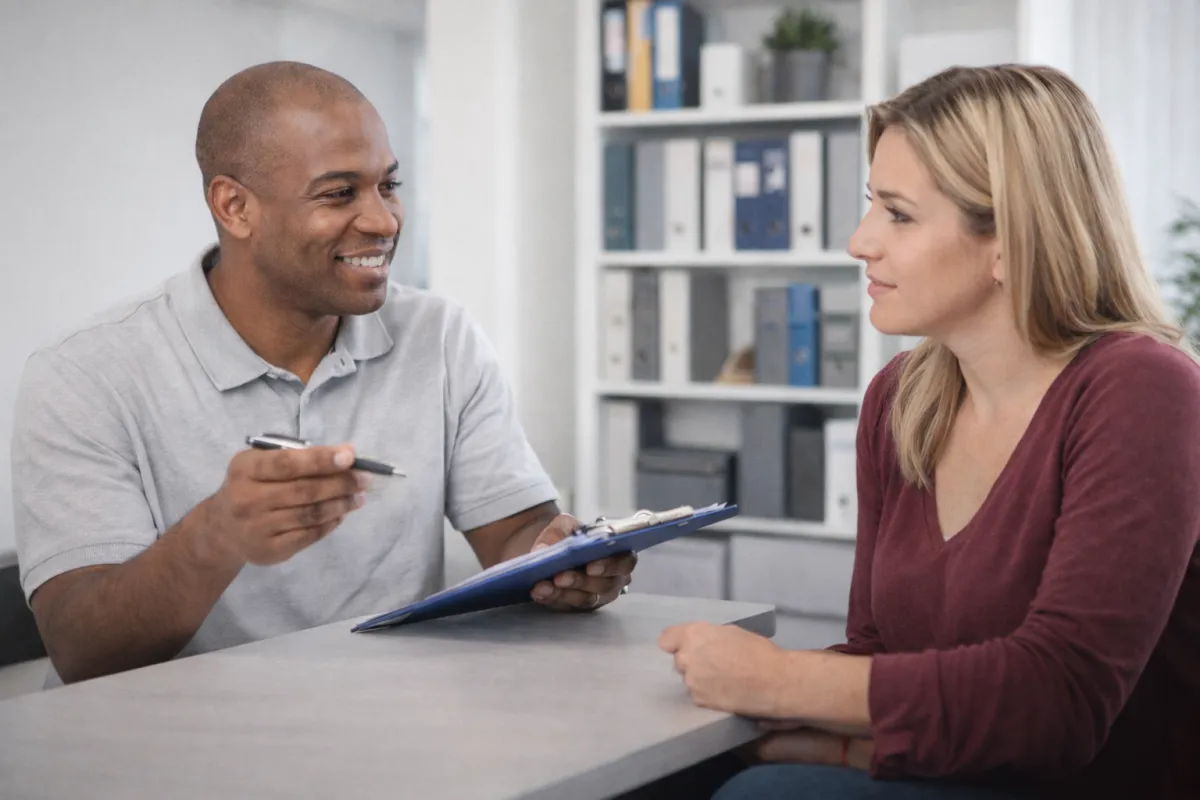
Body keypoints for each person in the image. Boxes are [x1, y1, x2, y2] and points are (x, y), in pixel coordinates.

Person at [658, 64, 1200, 798]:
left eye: (898, 214)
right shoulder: (901, 398)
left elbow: (1059, 700)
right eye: (868, 207)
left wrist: (781, 680)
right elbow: (882, 649)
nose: (858, 241)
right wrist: (818, 734)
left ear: (1009, 240)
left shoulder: (1142, 387)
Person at [11, 61, 635, 687]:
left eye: (388, 186)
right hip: (172, 752)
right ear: (234, 206)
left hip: (391, 722)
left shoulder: (440, 336)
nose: (384, 221)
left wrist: (561, 563)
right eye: (340, 193)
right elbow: (83, 650)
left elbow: (518, 532)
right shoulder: (83, 374)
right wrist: (218, 534)